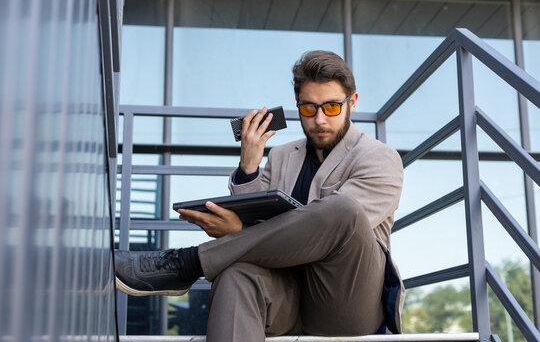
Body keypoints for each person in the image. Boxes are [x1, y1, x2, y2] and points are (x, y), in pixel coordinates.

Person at [115, 50, 405, 341]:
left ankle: (188, 263)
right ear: (297, 105)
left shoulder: (379, 157)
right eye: (309, 108)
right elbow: (255, 214)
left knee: (343, 210)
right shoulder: (281, 156)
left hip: (343, 299)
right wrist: (249, 166)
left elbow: (336, 229)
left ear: (351, 103)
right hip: (286, 293)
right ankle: (192, 264)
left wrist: (239, 231)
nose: (319, 119)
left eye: (331, 107)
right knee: (235, 276)